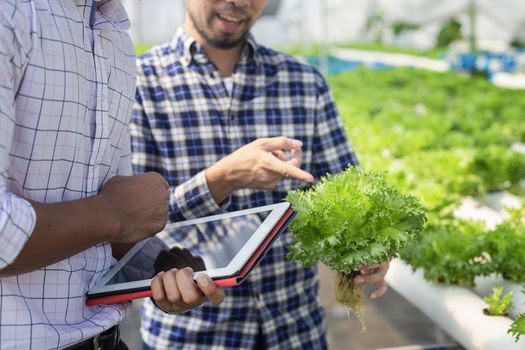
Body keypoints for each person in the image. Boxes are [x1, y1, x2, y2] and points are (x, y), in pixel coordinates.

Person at [131, 0, 390, 349]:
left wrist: (366, 248)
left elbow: (347, 193)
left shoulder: (302, 82)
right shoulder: (140, 83)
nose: (239, 2)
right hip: (191, 336)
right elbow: (129, 225)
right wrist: (221, 179)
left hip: (295, 330)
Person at [0, 1, 224, 349]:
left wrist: (160, 265)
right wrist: (119, 214)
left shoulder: (113, 33)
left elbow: (105, 215)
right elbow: (116, 211)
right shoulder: (12, 14)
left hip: (106, 339)